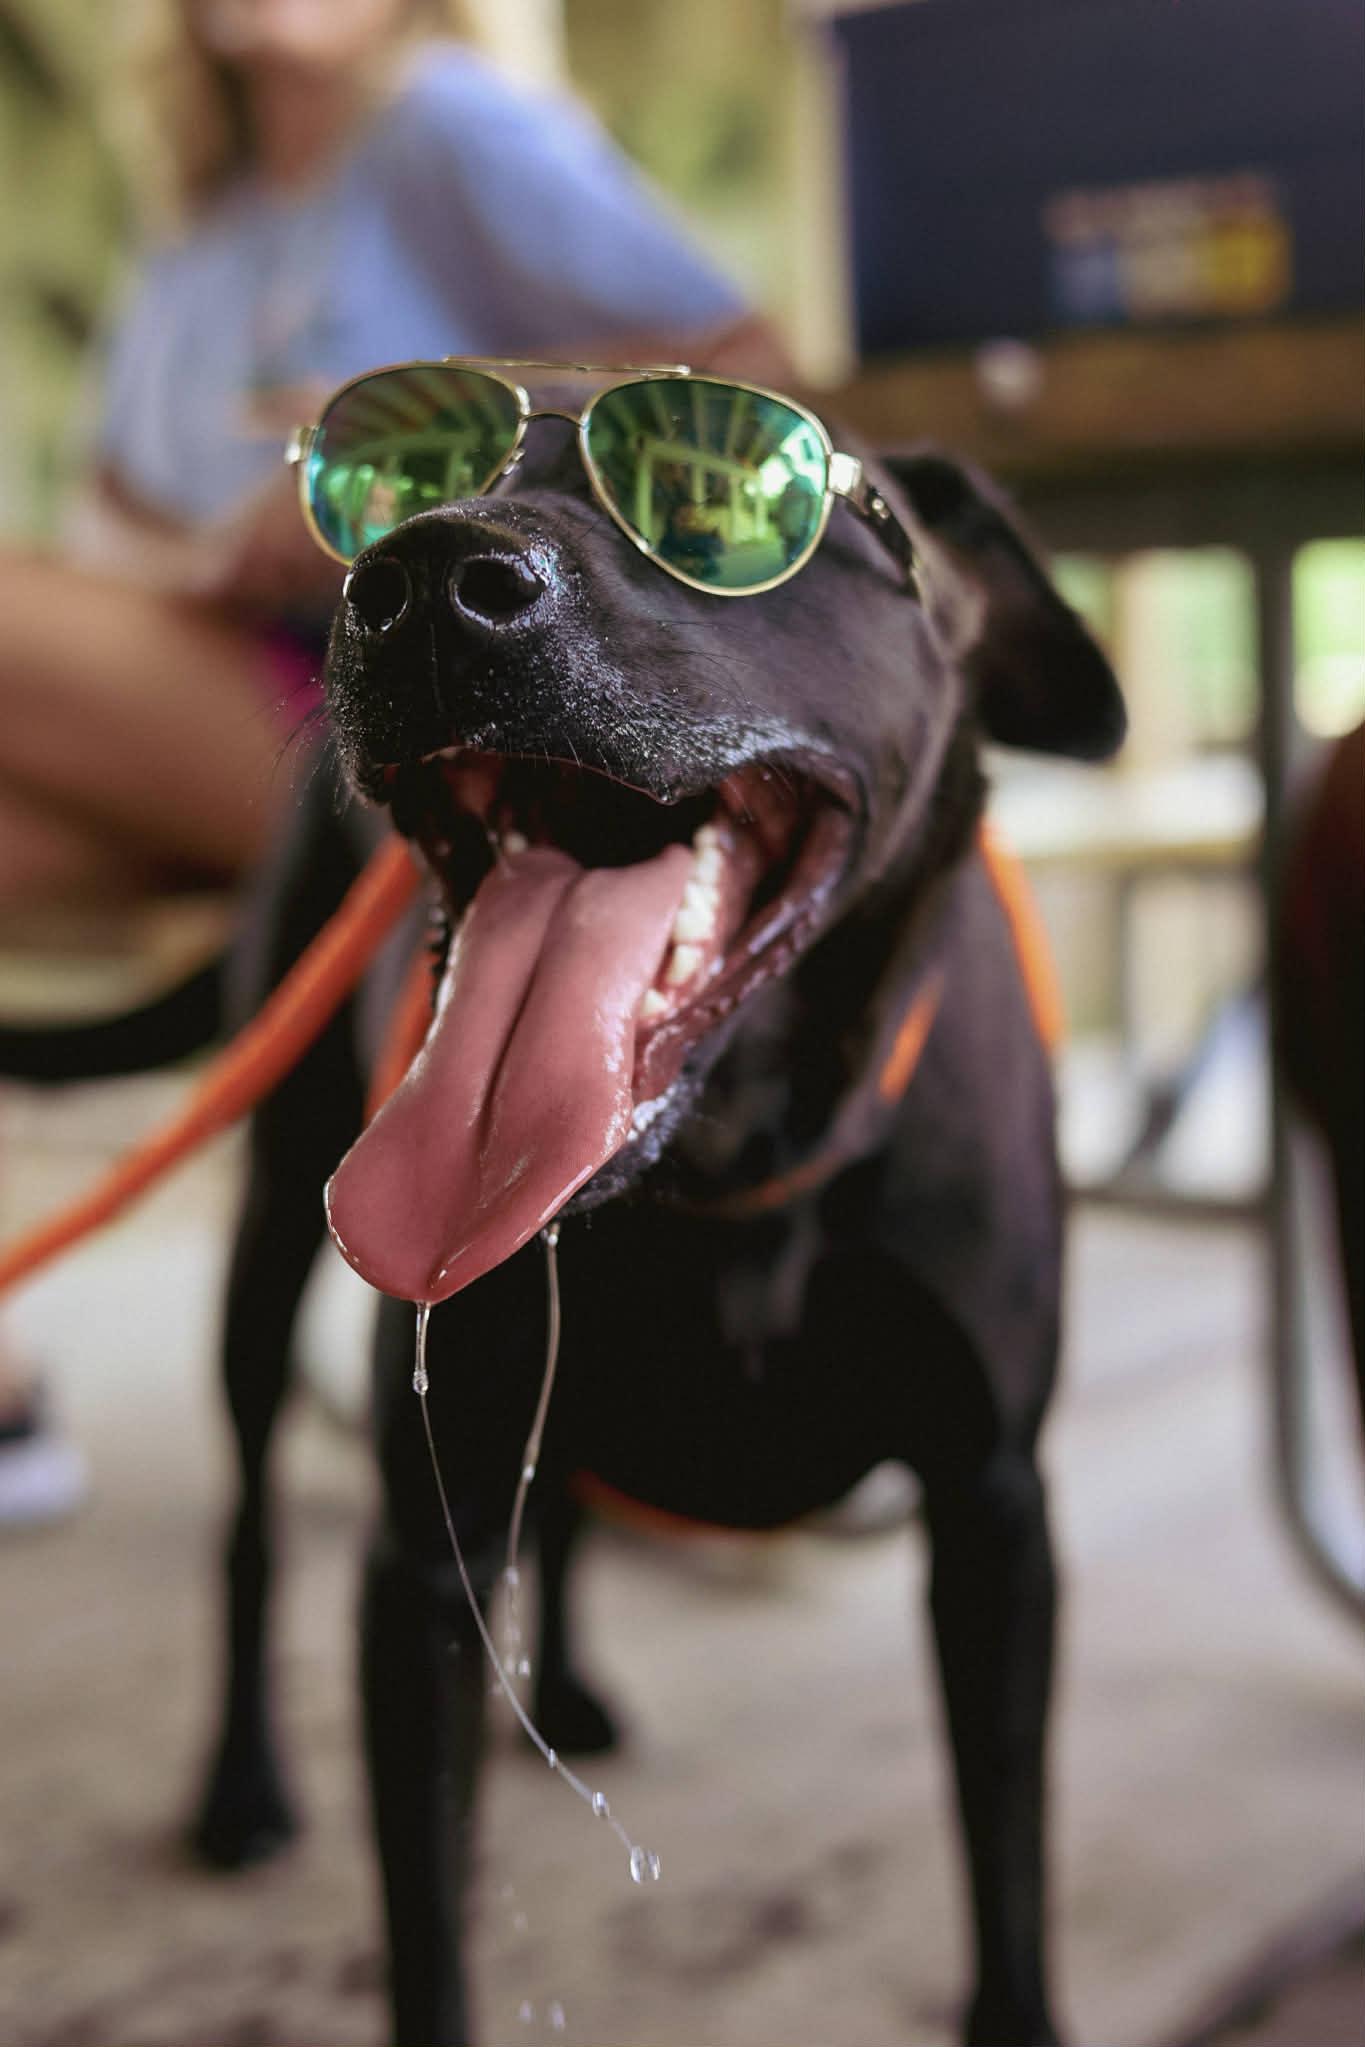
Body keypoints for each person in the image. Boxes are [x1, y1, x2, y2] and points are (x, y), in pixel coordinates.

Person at [0, 0, 790, 1523]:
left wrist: (418, 442)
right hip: (185, 673)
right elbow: (117, 502)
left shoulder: (447, 123)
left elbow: (739, 367)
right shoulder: (201, 214)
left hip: (373, 673)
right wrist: (192, 547)